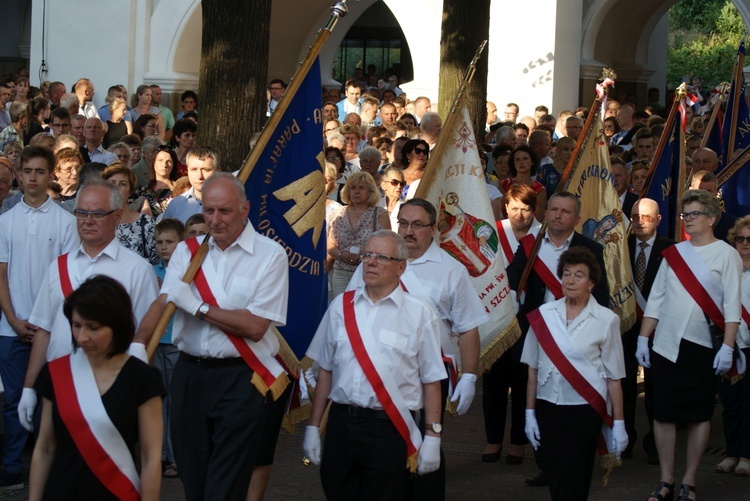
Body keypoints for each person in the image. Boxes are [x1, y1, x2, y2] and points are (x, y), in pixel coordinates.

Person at [134, 172, 289, 501]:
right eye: (208, 211)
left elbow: (255, 326)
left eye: (224, 211)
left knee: (225, 485)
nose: (215, 220)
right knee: (194, 479)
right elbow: (163, 304)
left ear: (245, 209)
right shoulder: (186, 252)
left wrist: (199, 308)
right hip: (189, 376)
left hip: (240, 379)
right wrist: (137, 347)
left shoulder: (270, 255)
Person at [304, 230, 447, 500]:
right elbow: (326, 370)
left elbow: (432, 380)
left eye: (381, 257)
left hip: (388, 430)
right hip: (341, 427)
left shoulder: (419, 314)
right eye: (367, 255)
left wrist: (433, 435)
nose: (370, 262)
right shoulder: (340, 307)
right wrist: (313, 426)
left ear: (401, 267)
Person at [17, 181, 160, 434]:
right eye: (82, 212)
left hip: (110, 392)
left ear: (117, 217)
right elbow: (44, 330)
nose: (88, 220)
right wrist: (29, 388)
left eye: (97, 213)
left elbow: (145, 340)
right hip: (60, 388)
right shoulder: (58, 267)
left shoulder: (138, 270)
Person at [636, 190, 742, 501]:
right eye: (685, 214)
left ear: (712, 218)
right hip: (667, 344)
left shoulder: (727, 255)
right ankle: (666, 480)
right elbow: (655, 300)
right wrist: (644, 337)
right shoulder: (674, 254)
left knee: (699, 415)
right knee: (663, 414)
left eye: (694, 214)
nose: (688, 219)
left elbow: (733, 307)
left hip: (703, 347)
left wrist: (728, 347)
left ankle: (689, 482)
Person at [506, 191, 610, 487]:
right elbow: (513, 276)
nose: (557, 215)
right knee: (538, 397)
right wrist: (514, 293)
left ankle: (574, 460)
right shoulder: (530, 244)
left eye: (565, 211)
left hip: (577, 336)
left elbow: (600, 295)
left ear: (576, 218)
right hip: (538, 334)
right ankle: (547, 463)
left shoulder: (590, 248)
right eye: (553, 209)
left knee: (573, 399)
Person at [28, 276, 164, 500]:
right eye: (76, 325)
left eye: (94, 328)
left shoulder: (143, 378)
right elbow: (44, 447)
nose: (82, 337)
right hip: (61, 492)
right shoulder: (56, 373)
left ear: (117, 325)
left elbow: (150, 458)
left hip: (117, 493)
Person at [0, 147, 79, 493]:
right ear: (18, 175)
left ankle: (56, 466)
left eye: (39, 171)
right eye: (26, 171)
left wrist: (46, 324)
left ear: (51, 176)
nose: (32, 177)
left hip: (53, 327)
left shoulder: (65, 222)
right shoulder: (4, 222)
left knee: (56, 397)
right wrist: (13, 319)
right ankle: (14, 466)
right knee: (14, 399)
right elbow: (0, 276)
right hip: (11, 326)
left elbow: (66, 278)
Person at [522, 246, 627, 500]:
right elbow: (533, 369)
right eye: (566, 274)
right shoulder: (543, 316)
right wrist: (529, 414)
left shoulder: (606, 320)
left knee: (576, 473)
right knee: (555, 472)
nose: (570, 280)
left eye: (578, 275)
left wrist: (620, 424)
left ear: (591, 283)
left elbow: (614, 378)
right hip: (549, 406)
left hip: (585, 409)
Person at [483, 184, 542, 464]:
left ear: (534, 209)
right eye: (514, 207)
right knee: (493, 379)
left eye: (526, 208)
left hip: (528, 315)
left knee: (521, 378)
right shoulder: (492, 231)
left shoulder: (542, 235)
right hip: (494, 313)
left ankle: (517, 441)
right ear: (505, 206)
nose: (520, 214)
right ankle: (492, 439)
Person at [714, 216, 750, 476]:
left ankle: (747, 456)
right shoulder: (724, 269)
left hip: (749, 347)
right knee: (730, 404)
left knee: (749, 403)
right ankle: (732, 453)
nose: (745, 243)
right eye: (741, 239)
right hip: (727, 345)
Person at [152, 218, 186, 479]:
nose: (164, 247)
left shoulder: (187, 271)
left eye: (170, 242)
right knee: (157, 401)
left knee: (176, 403)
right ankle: (158, 455)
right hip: (155, 345)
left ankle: (176, 457)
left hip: (176, 344)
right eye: (160, 242)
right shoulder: (151, 272)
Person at [327, 171, 390, 298]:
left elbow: (388, 245)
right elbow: (330, 245)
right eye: (353, 187)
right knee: (342, 312)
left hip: (368, 272)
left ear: (370, 192)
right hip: (341, 273)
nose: (356, 191)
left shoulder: (380, 214)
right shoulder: (338, 213)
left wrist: (365, 256)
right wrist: (341, 255)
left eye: (361, 188)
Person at [102, 164, 159, 264]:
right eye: (112, 183)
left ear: (130, 191)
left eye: (122, 184)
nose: (116, 187)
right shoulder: (94, 221)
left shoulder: (145, 222)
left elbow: (155, 262)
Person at [162, 146, 219, 223]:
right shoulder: (175, 205)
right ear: (187, 170)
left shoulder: (231, 203)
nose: (199, 176)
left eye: (205, 170)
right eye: (194, 169)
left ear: (218, 171)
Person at [501, 145, 547, 222]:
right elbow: (498, 211)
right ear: (513, 163)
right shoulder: (504, 185)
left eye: (525, 158)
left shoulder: (540, 189)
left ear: (532, 162)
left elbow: (539, 217)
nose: (521, 162)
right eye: (517, 159)